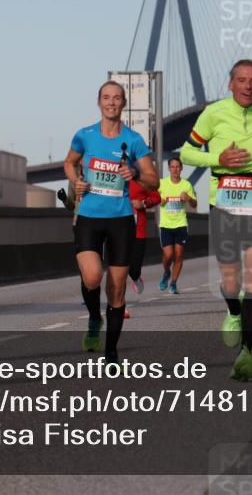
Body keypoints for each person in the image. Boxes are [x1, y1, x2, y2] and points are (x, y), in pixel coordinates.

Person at [180, 59, 252, 382]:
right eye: (241, 80)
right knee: (231, 278)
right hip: (223, 199)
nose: (248, 86)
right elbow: (187, 152)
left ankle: (246, 354)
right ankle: (233, 310)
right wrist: (218, 158)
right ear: (230, 84)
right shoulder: (213, 113)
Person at [64, 81, 158, 364]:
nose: (111, 102)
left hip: (120, 221)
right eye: (106, 97)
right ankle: (94, 318)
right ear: (99, 102)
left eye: (117, 98)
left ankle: (111, 352)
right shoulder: (85, 135)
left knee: (116, 288)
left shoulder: (134, 140)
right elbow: (69, 162)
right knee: (92, 276)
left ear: (124, 103)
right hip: (89, 218)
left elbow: (153, 181)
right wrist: (76, 181)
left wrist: (135, 174)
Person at [158, 156, 196, 294]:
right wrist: (160, 201)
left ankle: (173, 283)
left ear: (181, 169)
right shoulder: (162, 183)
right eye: (172, 167)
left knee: (179, 255)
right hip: (166, 224)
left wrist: (189, 198)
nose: (175, 169)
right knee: (168, 255)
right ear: (168, 168)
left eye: (177, 167)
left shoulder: (186, 185)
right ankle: (166, 272)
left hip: (181, 224)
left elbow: (194, 204)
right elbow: (155, 198)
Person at [128, 169, 161, 297]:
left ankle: (136, 277)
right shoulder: (114, 179)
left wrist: (143, 203)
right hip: (118, 228)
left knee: (134, 268)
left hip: (138, 230)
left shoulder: (139, 179)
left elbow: (156, 197)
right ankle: (119, 306)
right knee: (119, 268)